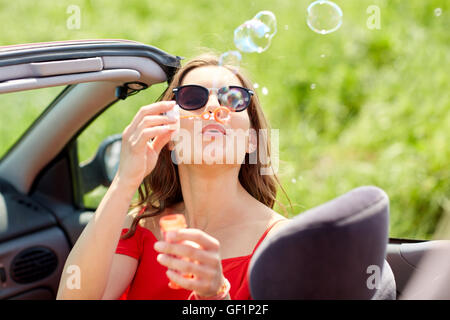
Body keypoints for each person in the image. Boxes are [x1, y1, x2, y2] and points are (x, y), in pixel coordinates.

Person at [57, 53, 292, 300]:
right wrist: (125, 179)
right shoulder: (141, 226)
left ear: (252, 141)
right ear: (169, 136)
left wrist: (215, 296)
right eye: (192, 98)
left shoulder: (281, 244)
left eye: (233, 99)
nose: (212, 107)